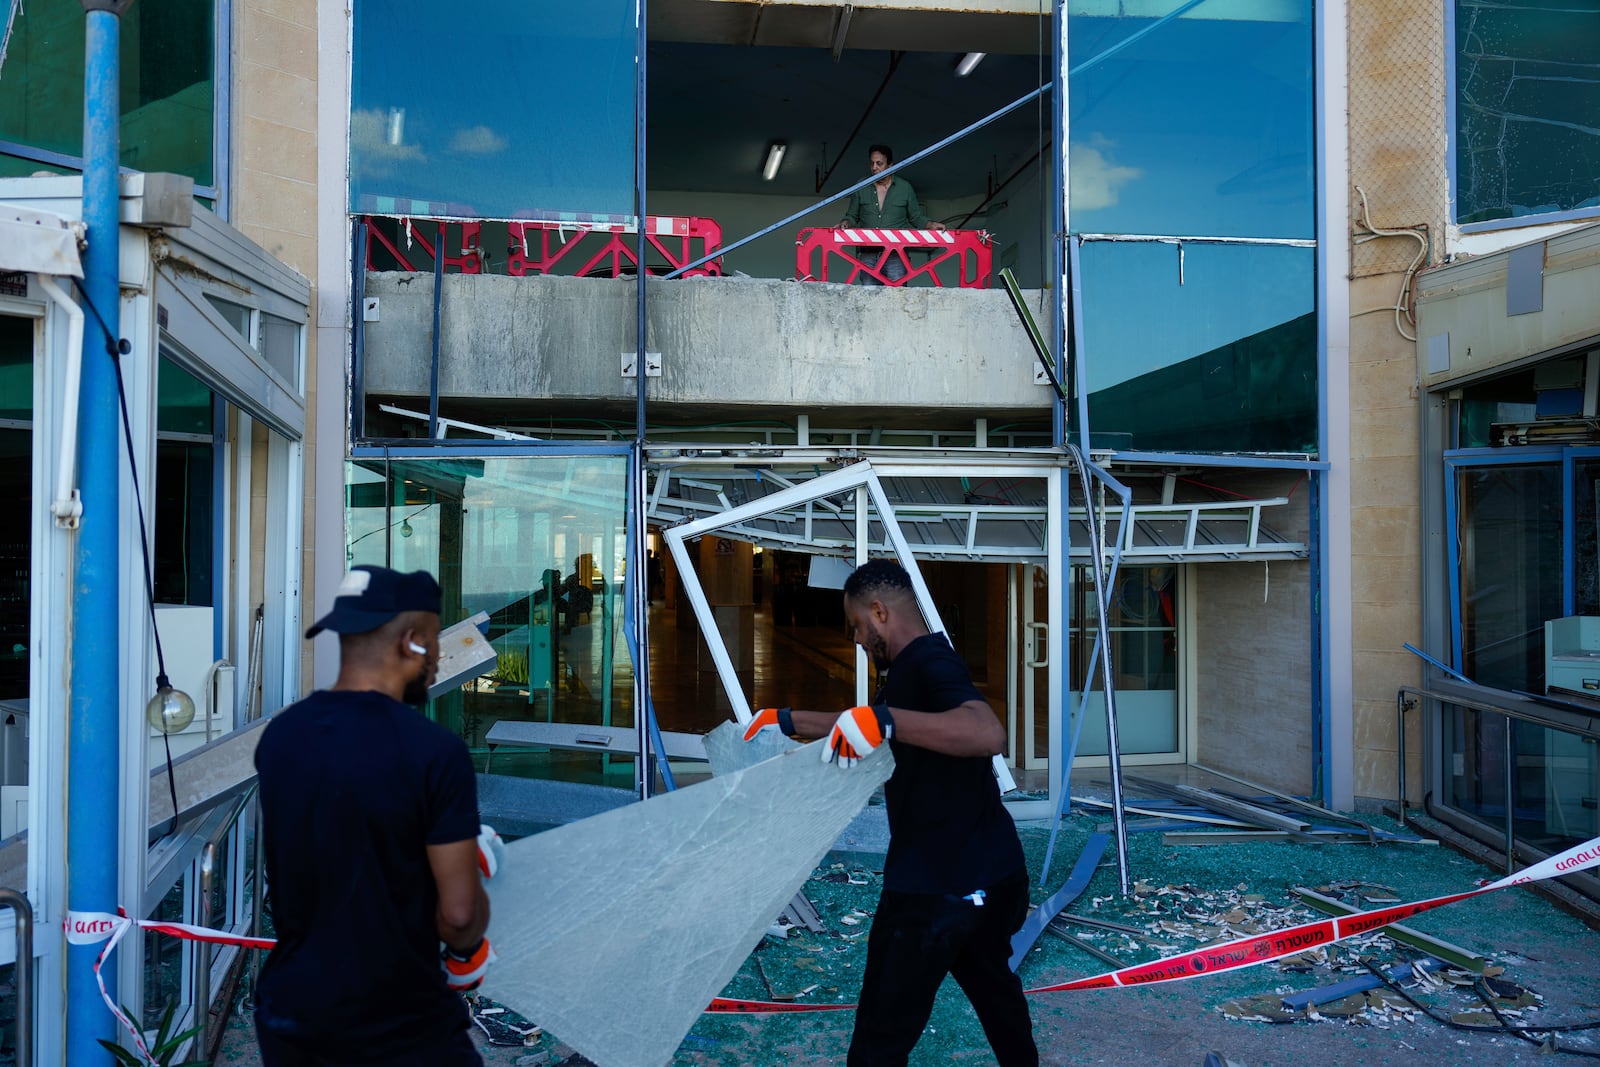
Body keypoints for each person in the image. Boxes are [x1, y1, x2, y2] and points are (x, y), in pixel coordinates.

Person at [743, 558, 1037, 1066]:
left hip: (934, 891)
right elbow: (870, 723)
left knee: (881, 1032)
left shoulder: (930, 663)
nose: (857, 639)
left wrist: (887, 720)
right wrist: (787, 719)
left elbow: (988, 733)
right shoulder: (913, 667)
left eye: (857, 626)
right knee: (996, 995)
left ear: (879, 612)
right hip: (991, 873)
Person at [254, 565, 499, 1066]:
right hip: (398, 1022)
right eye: (434, 645)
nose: (437, 661)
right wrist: (473, 884)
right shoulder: (434, 752)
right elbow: (458, 918)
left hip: (291, 1014)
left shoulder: (282, 736)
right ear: (410, 641)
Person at [838, 144, 947, 286]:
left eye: (879, 163)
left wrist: (931, 224)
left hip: (896, 255)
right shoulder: (861, 186)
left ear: (890, 165)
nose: (874, 168)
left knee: (897, 297)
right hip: (868, 254)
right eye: (872, 163)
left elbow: (916, 217)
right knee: (868, 297)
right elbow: (852, 215)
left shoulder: (905, 188)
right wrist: (846, 222)